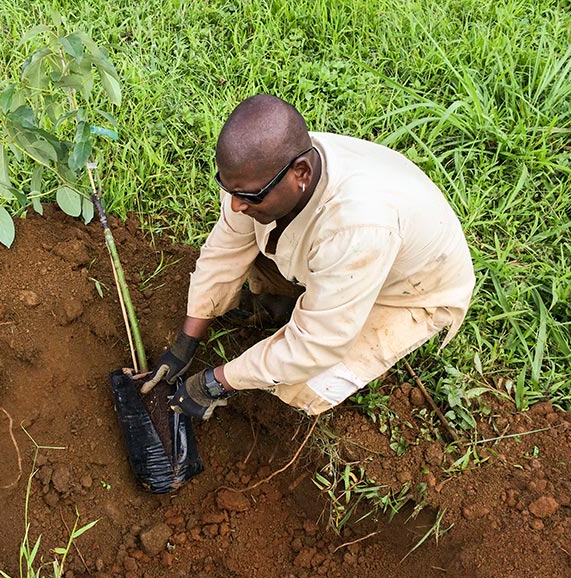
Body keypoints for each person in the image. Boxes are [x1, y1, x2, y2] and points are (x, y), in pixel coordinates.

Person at [141, 94, 475, 420]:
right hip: (351, 259)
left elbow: (316, 347)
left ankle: (311, 315)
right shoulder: (259, 172)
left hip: (409, 291)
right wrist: (186, 341)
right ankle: (284, 306)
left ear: (300, 172)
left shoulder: (356, 227)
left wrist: (215, 382)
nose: (235, 205)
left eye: (247, 197)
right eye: (230, 191)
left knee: (304, 386)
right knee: (255, 247)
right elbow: (223, 253)